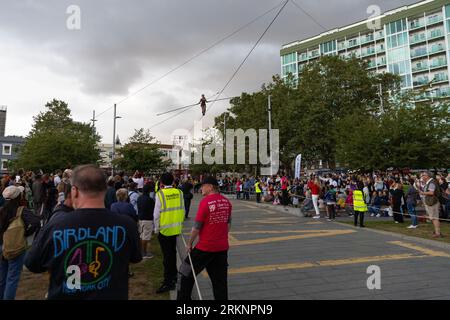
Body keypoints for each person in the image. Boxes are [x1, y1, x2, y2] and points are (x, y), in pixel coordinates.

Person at [25, 165, 142, 300]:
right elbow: (135, 258)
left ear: (74, 191)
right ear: (104, 190)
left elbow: (33, 264)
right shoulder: (127, 224)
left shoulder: (55, 226)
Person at [177, 176, 232, 300]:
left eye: (203, 186)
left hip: (205, 248)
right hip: (222, 248)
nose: (201, 188)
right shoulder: (226, 202)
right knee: (220, 282)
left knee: (185, 271)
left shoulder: (206, 202)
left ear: (210, 187)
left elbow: (196, 227)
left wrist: (189, 243)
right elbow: (228, 224)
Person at [0, 186, 40, 300]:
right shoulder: (21, 210)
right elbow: (36, 222)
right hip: (15, 246)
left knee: (2, 277)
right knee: (12, 278)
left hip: (2, 246)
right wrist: (25, 233)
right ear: (18, 196)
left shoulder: (2, 210)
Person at [154, 172, 185, 294]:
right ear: (173, 181)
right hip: (176, 229)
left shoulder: (160, 194)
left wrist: (156, 229)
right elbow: (183, 209)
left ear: (161, 183)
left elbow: (156, 215)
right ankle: (174, 277)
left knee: (167, 257)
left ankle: (168, 282)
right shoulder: (179, 192)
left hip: (165, 230)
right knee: (172, 254)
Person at [419, 171, 443, 238]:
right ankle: (437, 232)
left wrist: (422, 193)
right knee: (434, 218)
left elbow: (431, 192)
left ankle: (437, 233)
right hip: (431, 202)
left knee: (434, 218)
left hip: (432, 203)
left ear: (427, 176)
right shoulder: (430, 182)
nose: (422, 177)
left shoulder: (431, 182)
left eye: (423, 175)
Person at [137, 184, 155, 259]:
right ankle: (144, 253)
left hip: (140, 218)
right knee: (146, 237)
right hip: (147, 219)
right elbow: (153, 209)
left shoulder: (139, 198)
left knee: (142, 235)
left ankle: (141, 251)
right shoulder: (149, 200)